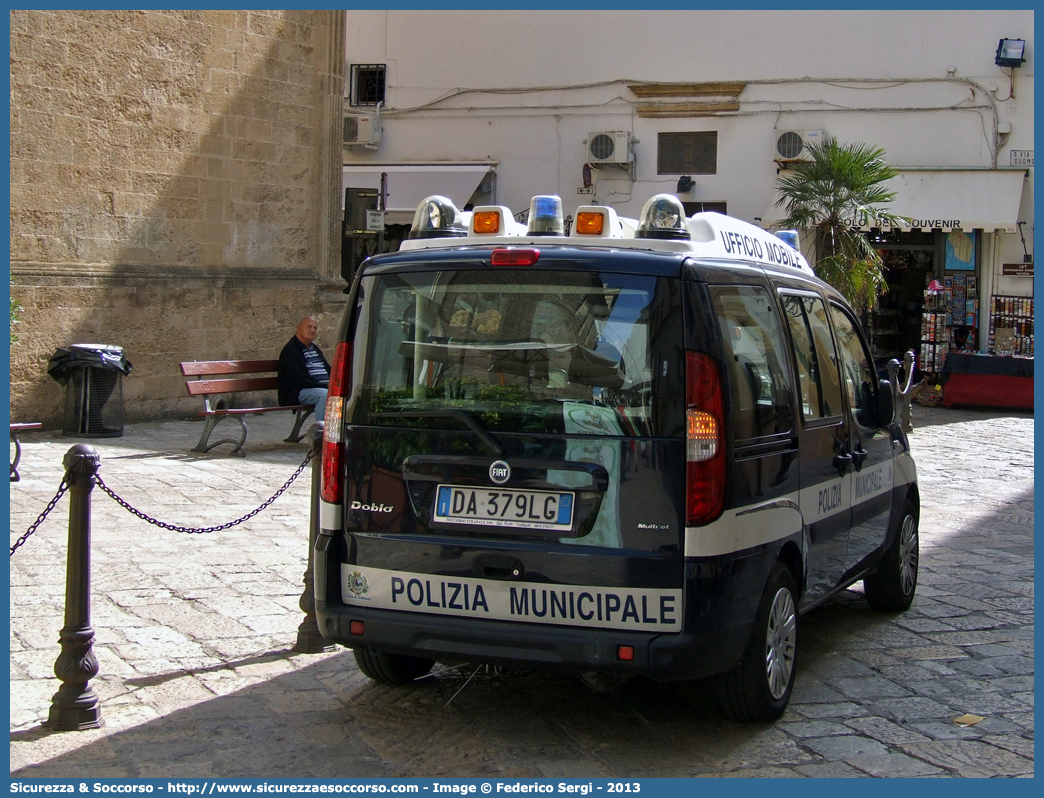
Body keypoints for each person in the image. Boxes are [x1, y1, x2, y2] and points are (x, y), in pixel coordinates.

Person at [278, 316, 330, 419]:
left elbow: (328, 369)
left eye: (315, 328)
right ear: (299, 328)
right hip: (298, 391)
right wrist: (325, 386)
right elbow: (301, 379)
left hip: (319, 387)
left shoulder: (314, 348)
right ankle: (321, 432)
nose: (312, 330)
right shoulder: (291, 350)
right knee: (324, 395)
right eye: (309, 327)